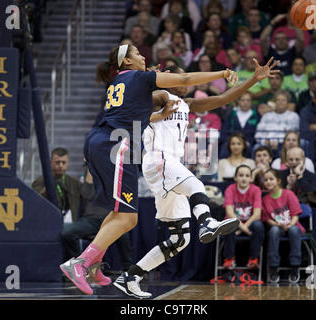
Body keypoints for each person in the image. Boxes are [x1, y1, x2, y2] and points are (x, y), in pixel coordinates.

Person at [59, 43, 243, 296]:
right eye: (137, 54)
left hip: (100, 141)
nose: (143, 56)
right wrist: (222, 74)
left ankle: (92, 263)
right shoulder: (142, 78)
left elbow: (133, 115)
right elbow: (186, 77)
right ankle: (79, 263)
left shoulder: (121, 82)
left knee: (118, 214)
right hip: (118, 144)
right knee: (128, 218)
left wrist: (155, 115)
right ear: (127, 62)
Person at [117, 58, 279, 298]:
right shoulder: (161, 96)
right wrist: (149, 89)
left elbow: (224, 99)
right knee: (196, 184)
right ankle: (207, 221)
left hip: (168, 169)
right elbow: (133, 108)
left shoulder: (187, 104)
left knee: (179, 238)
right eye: (182, 76)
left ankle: (131, 276)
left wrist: (253, 79)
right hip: (159, 160)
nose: (187, 81)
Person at [60, 169, 132, 271]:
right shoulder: (90, 172)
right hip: (91, 220)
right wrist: (90, 168)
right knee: (67, 233)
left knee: (123, 234)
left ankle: (128, 270)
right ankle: (77, 267)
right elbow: (87, 194)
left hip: (111, 220)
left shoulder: (114, 174)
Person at [261, 169, 305, 284]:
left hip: (292, 224)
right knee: (274, 231)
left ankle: (295, 267)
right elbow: (267, 219)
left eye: (271, 179)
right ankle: (273, 267)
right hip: (277, 226)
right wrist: (276, 224)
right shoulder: (264, 200)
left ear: (279, 181)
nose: (268, 182)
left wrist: (290, 224)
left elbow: (295, 214)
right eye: (266, 180)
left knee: (294, 231)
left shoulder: (288, 194)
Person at [221, 165, 265, 271]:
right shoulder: (230, 189)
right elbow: (230, 213)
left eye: (247, 176)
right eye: (241, 175)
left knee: (258, 225)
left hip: (251, 223)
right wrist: (243, 228)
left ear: (251, 178)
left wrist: (243, 228)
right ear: (235, 177)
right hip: (235, 223)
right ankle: (229, 259)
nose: (244, 178)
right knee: (228, 224)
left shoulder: (256, 190)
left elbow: (257, 214)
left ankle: (253, 259)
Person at [32, 147, 82, 223]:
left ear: (68, 163)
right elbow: (35, 201)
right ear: (51, 163)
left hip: (71, 222)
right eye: (58, 162)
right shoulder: (40, 182)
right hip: (48, 222)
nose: (61, 165)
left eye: (63, 162)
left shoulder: (75, 183)